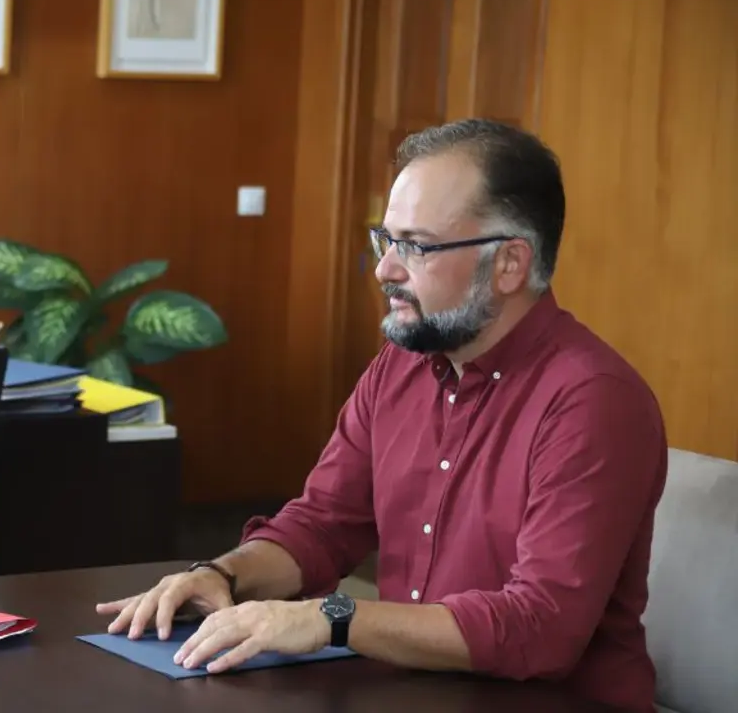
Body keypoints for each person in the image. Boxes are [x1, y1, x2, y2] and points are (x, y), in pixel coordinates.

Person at [97, 119, 666, 713]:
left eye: (415, 246)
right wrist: (222, 576)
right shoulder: (402, 366)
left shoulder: (593, 400)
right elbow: (324, 523)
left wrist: (333, 617)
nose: (385, 270)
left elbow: (540, 626)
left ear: (509, 264)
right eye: (386, 240)